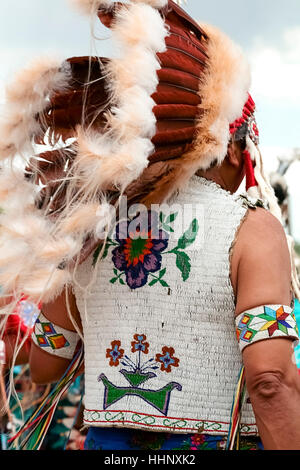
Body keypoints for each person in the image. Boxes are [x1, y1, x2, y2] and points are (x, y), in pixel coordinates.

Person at [1, 0, 300, 451]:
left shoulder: (94, 226)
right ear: (236, 150)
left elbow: (43, 364)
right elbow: (271, 379)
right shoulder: (251, 229)